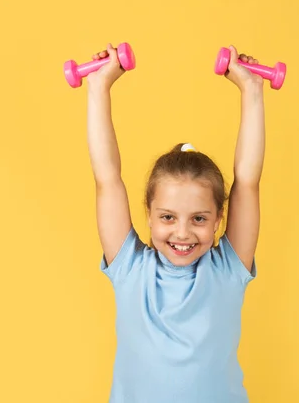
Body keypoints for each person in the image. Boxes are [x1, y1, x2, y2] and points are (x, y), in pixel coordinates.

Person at [85, 43, 265, 403]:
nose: (182, 233)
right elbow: (106, 176)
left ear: (219, 219)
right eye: (168, 218)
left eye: (199, 219)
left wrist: (251, 89)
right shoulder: (130, 270)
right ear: (148, 215)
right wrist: (99, 87)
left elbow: (247, 180)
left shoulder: (227, 270)